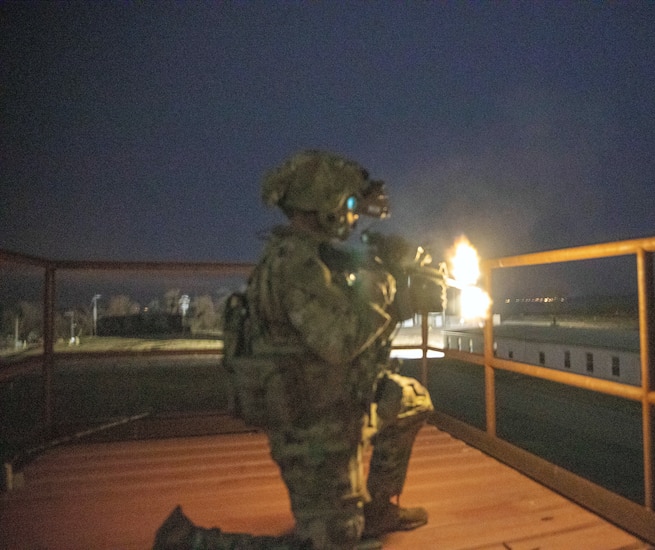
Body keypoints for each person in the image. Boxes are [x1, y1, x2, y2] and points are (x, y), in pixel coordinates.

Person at [154, 150, 442, 550]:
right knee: (332, 543)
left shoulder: (314, 257)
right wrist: (394, 292)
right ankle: (190, 543)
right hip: (312, 424)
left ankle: (378, 511)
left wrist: (391, 287)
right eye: (350, 204)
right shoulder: (295, 266)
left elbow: (355, 336)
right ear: (323, 206)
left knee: (412, 400)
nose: (355, 215)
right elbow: (341, 341)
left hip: (337, 396)